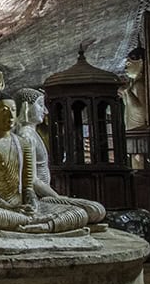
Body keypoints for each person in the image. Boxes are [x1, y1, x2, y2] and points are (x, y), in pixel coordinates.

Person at [0, 89, 89, 233]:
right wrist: (9, 207)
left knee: (82, 213)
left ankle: (43, 225)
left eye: (13, 110)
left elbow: (28, 188)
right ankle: (43, 223)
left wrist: (32, 204)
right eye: (4, 110)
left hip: (22, 208)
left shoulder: (23, 143)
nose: (10, 115)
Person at [13, 88, 106, 223]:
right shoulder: (26, 135)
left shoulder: (31, 133)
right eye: (40, 105)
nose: (45, 111)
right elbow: (31, 180)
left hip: (45, 195)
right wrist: (58, 197)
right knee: (94, 210)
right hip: (36, 197)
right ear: (26, 107)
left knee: (96, 210)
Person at [118, 47, 148, 130]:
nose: (125, 69)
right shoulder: (133, 85)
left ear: (140, 63)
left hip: (139, 127)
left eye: (128, 64)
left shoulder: (138, 85)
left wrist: (127, 92)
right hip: (132, 128)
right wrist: (124, 93)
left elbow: (141, 111)